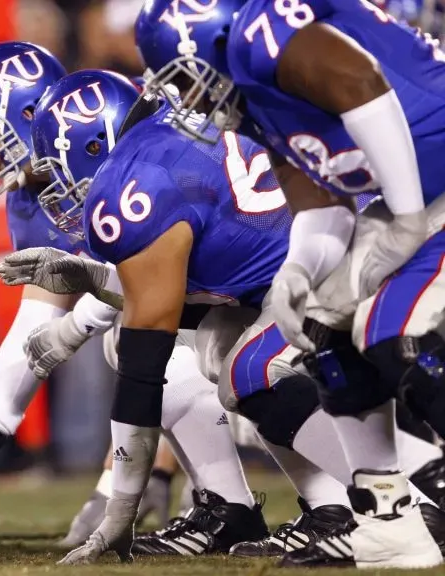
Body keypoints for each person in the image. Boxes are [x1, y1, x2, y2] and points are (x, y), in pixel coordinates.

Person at [0, 71, 445, 564]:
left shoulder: (133, 183)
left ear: (90, 142)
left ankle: (408, 509)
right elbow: (193, 275)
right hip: (339, 240)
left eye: (57, 167)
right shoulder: (167, 137)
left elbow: (143, 370)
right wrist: (96, 277)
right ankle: (334, 510)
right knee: (217, 342)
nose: (60, 187)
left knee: (249, 372)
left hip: (350, 252)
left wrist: (120, 510)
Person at [0, 47, 268, 555]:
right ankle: (230, 505)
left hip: (263, 288)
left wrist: (121, 482)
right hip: (214, 309)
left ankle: (332, 500)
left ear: (30, 115)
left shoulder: (132, 150)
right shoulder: (34, 199)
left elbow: (155, 301)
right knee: (143, 343)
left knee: (166, 350)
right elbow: (34, 330)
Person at [135, 0, 445, 567]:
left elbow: (362, 83)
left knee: (393, 331)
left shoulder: (261, 36)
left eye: (184, 77)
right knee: (323, 333)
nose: (190, 99)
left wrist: (403, 218)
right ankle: (388, 521)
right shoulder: (257, 105)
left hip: (430, 190)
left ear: (211, 38)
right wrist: (297, 272)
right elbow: (322, 203)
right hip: (409, 200)